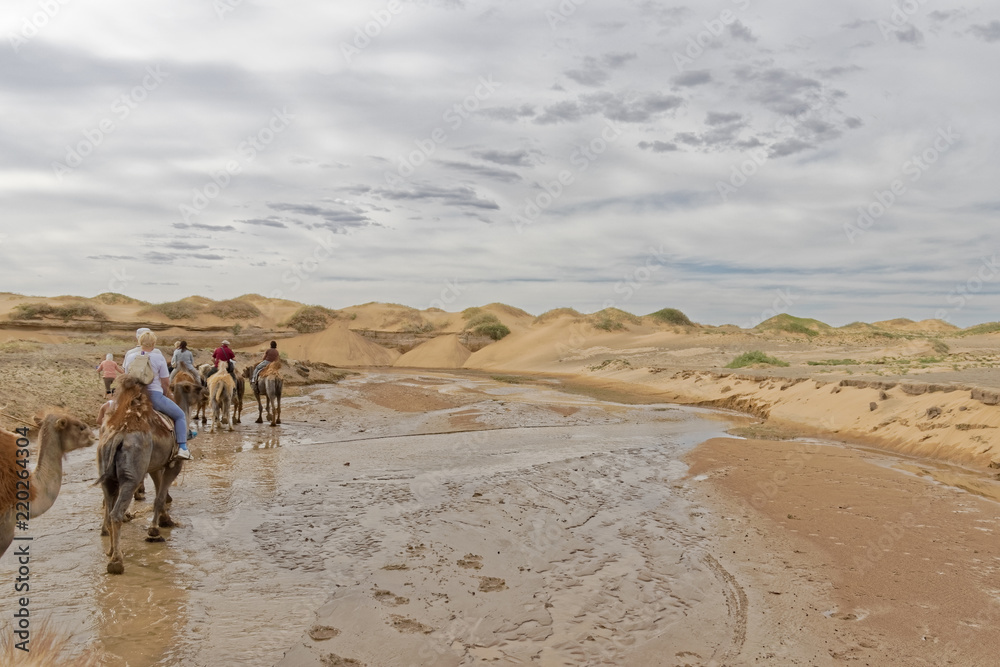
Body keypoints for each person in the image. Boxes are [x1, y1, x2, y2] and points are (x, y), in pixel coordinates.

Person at [124, 328, 195, 461]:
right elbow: (165, 382)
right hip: (154, 397)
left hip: (133, 397)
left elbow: (126, 376)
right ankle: (183, 448)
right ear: (154, 343)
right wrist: (166, 394)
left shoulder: (130, 356)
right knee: (180, 415)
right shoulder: (158, 357)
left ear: (139, 342)